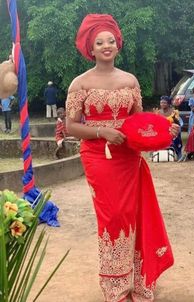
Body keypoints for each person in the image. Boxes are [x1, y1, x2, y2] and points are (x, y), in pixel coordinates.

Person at [66, 14, 179, 302]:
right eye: (100, 42)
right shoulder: (79, 84)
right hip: (97, 156)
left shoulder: (130, 80)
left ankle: (138, 280)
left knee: (133, 215)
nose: (106, 45)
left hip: (129, 157)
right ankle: (115, 286)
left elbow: (139, 121)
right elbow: (71, 126)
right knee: (113, 215)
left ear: (118, 46)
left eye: (111, 41)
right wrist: (102, 131)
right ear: (90, 48)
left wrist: (166, 128)